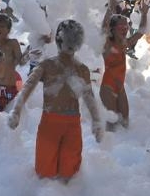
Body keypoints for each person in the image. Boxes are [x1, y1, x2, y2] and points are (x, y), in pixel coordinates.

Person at [8, 20, 103, 180]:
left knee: (69, 171)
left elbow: (89, 96)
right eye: (70, 40)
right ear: (60, 40)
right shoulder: (48, 66)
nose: (72, 44)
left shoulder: (81, 69)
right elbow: (27, 87)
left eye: (75, 40)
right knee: (46, 172)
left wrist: (97, 121)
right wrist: (16, 110)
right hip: (53, 122)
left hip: (69, 123)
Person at [100, 0, 150, 129]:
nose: (125, 30)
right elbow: (104, 28)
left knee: (124, 122)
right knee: (111, 126)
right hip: (108, 87)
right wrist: (110, 8)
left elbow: (141, 32)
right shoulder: (107, 44)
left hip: (120, 87)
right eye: (121, 27)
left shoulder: (124, 44)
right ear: (113, 29)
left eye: (126, 27)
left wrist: (144, 14)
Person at [0, 13, 29, 111]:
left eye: (2, 26)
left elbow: (21, 61)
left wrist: (29, 53)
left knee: (16, 111)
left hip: (13, 85)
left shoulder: (12, 44)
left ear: (8, 30)